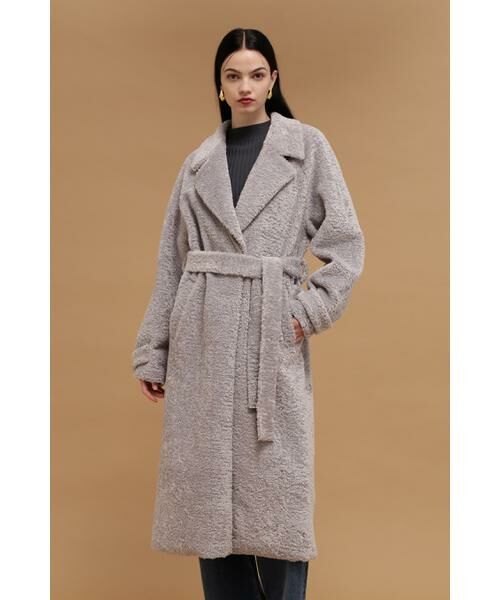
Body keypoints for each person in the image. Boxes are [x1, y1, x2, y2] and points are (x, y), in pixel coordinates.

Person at [132, 27, 365, 600]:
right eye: (233, 76)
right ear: (219, 85)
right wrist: (154, 349)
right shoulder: (197, 165)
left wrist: (304, 314)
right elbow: (172, 261)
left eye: (257, 74)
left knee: (279, 507)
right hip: (204, 339)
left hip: (268, 334)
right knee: (211, 513)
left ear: (273, 80)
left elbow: (346, 244)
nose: (245, 86)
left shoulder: (306, 147)